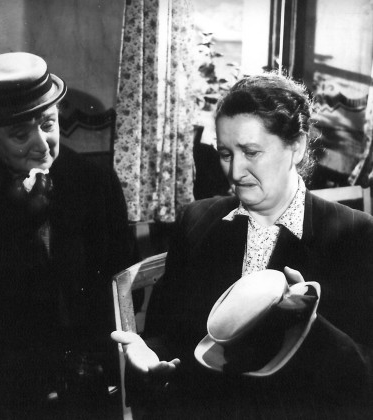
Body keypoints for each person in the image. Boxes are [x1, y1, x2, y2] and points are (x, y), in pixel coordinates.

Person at [111, 72, 373, 419]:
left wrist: (311, 327)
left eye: (251, 152)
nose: (235, 172)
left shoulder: (354, 234)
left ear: (296, 147)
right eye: (225, 153)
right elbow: (169, 334)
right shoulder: (197, 221)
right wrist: (149, 355)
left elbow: (362, 375)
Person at [0, 52, 136, 419]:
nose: (42, 144)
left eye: (48, 124)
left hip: (84, 377)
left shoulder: (95, 181)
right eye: (20, 135)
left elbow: (122, 280)